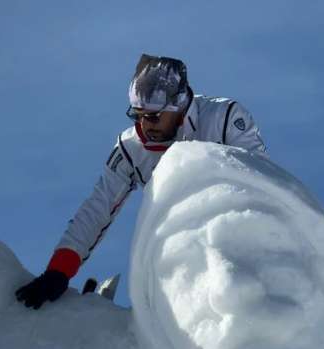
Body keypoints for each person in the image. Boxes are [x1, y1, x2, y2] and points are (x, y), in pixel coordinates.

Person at [15, 54, 267, 309]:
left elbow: (262, 185)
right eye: (137, 115)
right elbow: (98, 207)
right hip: (180, 255)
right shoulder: (131, 148)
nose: (144, 125)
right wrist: (59, 270)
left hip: (238, 248)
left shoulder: (223, 119)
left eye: (154, 117)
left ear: (178, 105)